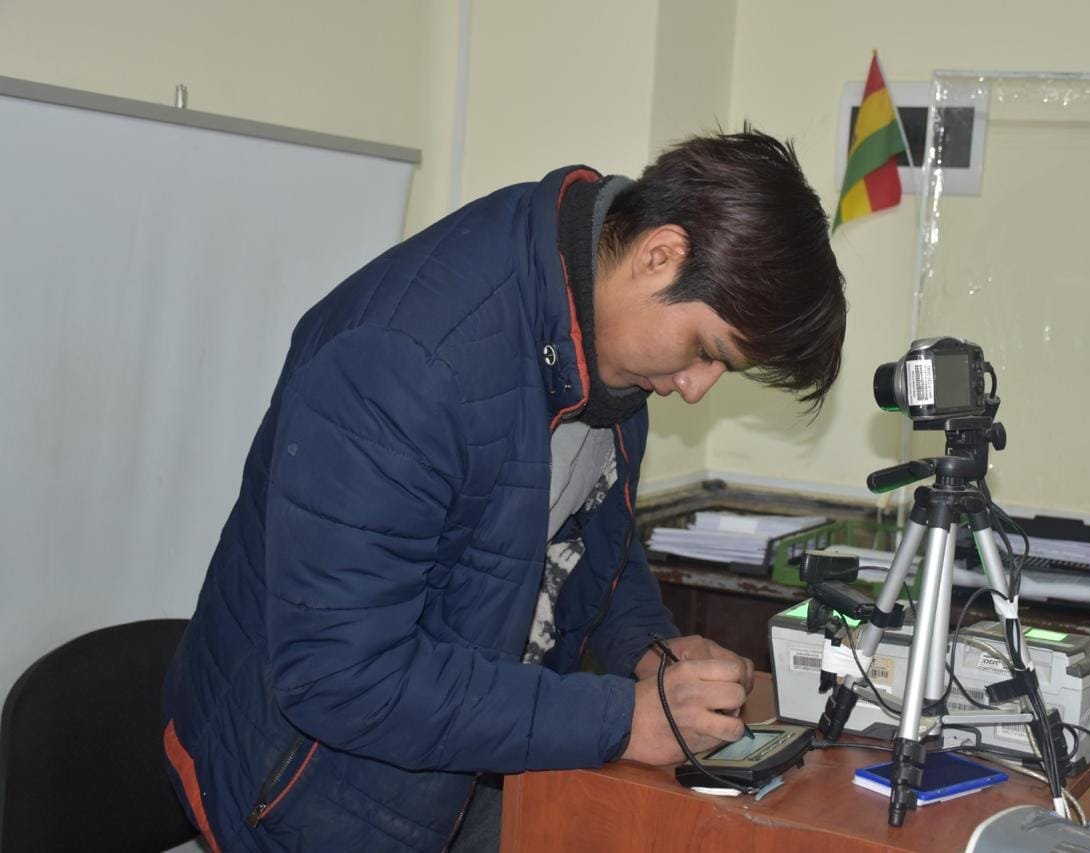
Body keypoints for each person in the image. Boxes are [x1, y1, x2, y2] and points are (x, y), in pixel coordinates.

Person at [161, 127, 846, 852]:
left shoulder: (603, 323)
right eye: (705, 350)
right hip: (303, 787)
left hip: (466, 749)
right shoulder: (404, 363)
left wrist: (651, 649)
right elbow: (342, 675)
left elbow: (586, 531)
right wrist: (622, 719)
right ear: (661, 254)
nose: (696, 386)